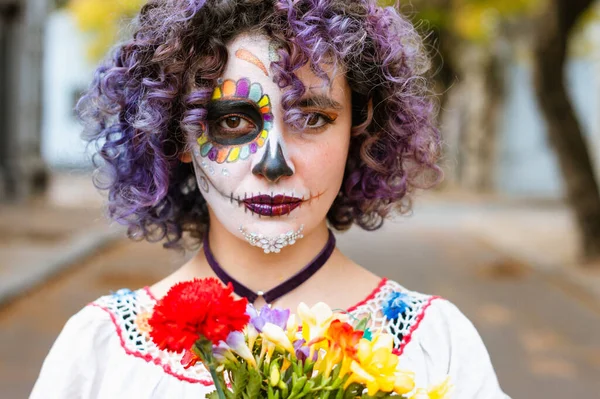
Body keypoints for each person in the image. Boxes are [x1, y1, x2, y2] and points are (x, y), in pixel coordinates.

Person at [32, 0, 510, 398]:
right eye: (233, 122)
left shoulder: (436, 348)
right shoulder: (98, 354)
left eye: (312, 118)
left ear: (360, 128)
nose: (273, 164)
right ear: (176, 134)